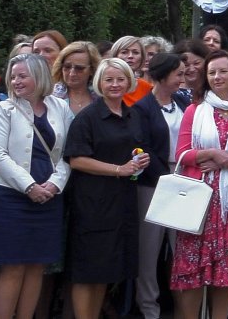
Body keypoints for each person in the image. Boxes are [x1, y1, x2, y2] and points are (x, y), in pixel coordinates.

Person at [171, 51, 228, 319]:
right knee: (193, 266)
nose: (217, 77)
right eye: (211, 72)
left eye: (223, 71)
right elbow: (182, 154)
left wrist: (227, 160)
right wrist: (208, 155)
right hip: (199, 198)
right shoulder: (194, 110)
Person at [0, 53, 72, 319]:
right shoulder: (4, 109)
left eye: (22, 75)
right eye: (13, 76)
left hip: (49, 197)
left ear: (40, 76)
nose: (16, 81)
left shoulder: (60, 107)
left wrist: (54, 185)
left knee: (36, 267)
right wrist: (30, 186)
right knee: (12, 267)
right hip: (10, 197)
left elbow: (68, 153)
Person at [65, 57, 151, 319]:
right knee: (87, 268)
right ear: (99, 83)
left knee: (107, 269)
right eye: (109, 79)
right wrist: (119, 170)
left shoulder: (133, 113)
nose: (115, 84)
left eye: (120, 79)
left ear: (129, 81)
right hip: (93, 202)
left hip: (122, 201)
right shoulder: (88, 117)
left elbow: (132, 151)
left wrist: (140, 160)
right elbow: (76, 159)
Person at [130, 52, 190, 319]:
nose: (183, 78)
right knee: (149, 251)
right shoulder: (142, 109)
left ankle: (182, 307)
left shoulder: (182, 101)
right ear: (163, 75)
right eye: (178, 73)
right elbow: (144, 147)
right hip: (153, 185)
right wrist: (165, 177)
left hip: (184, 182)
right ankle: (149, 309)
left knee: (182, 248)